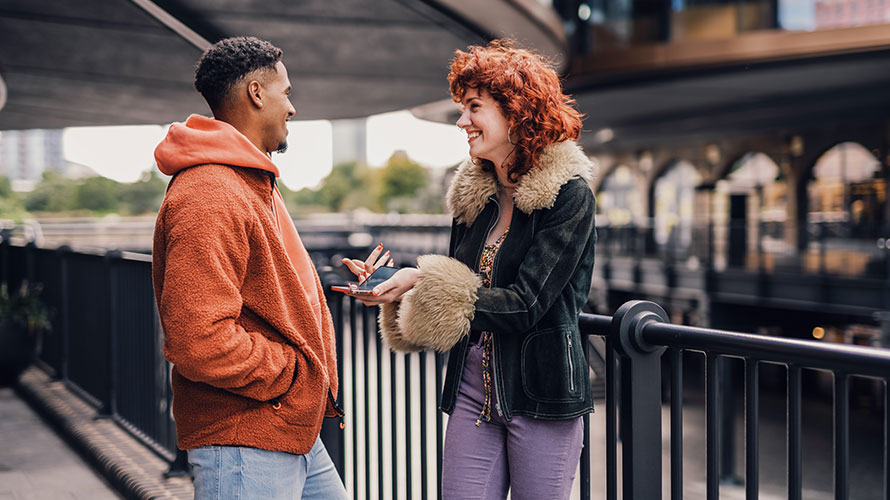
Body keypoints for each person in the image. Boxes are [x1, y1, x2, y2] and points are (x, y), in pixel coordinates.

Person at [343, 39, 597, 499]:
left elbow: (525, 305)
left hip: (541, 397)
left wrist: (424, 284)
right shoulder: (473, 196)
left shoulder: (568, 195)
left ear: (516, 110)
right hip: (471, 393)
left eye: (474, 107)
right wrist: (401, 283)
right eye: (462, 108)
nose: (462, 121)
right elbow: (459, 278)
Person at [152, 36, 347, 500]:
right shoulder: (209, 192)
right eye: (287, 93)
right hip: (244, 438)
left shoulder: (246, 181)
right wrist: (293, 374)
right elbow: (198, 339)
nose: (292, 108)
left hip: (285, 428)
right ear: (257, 94)